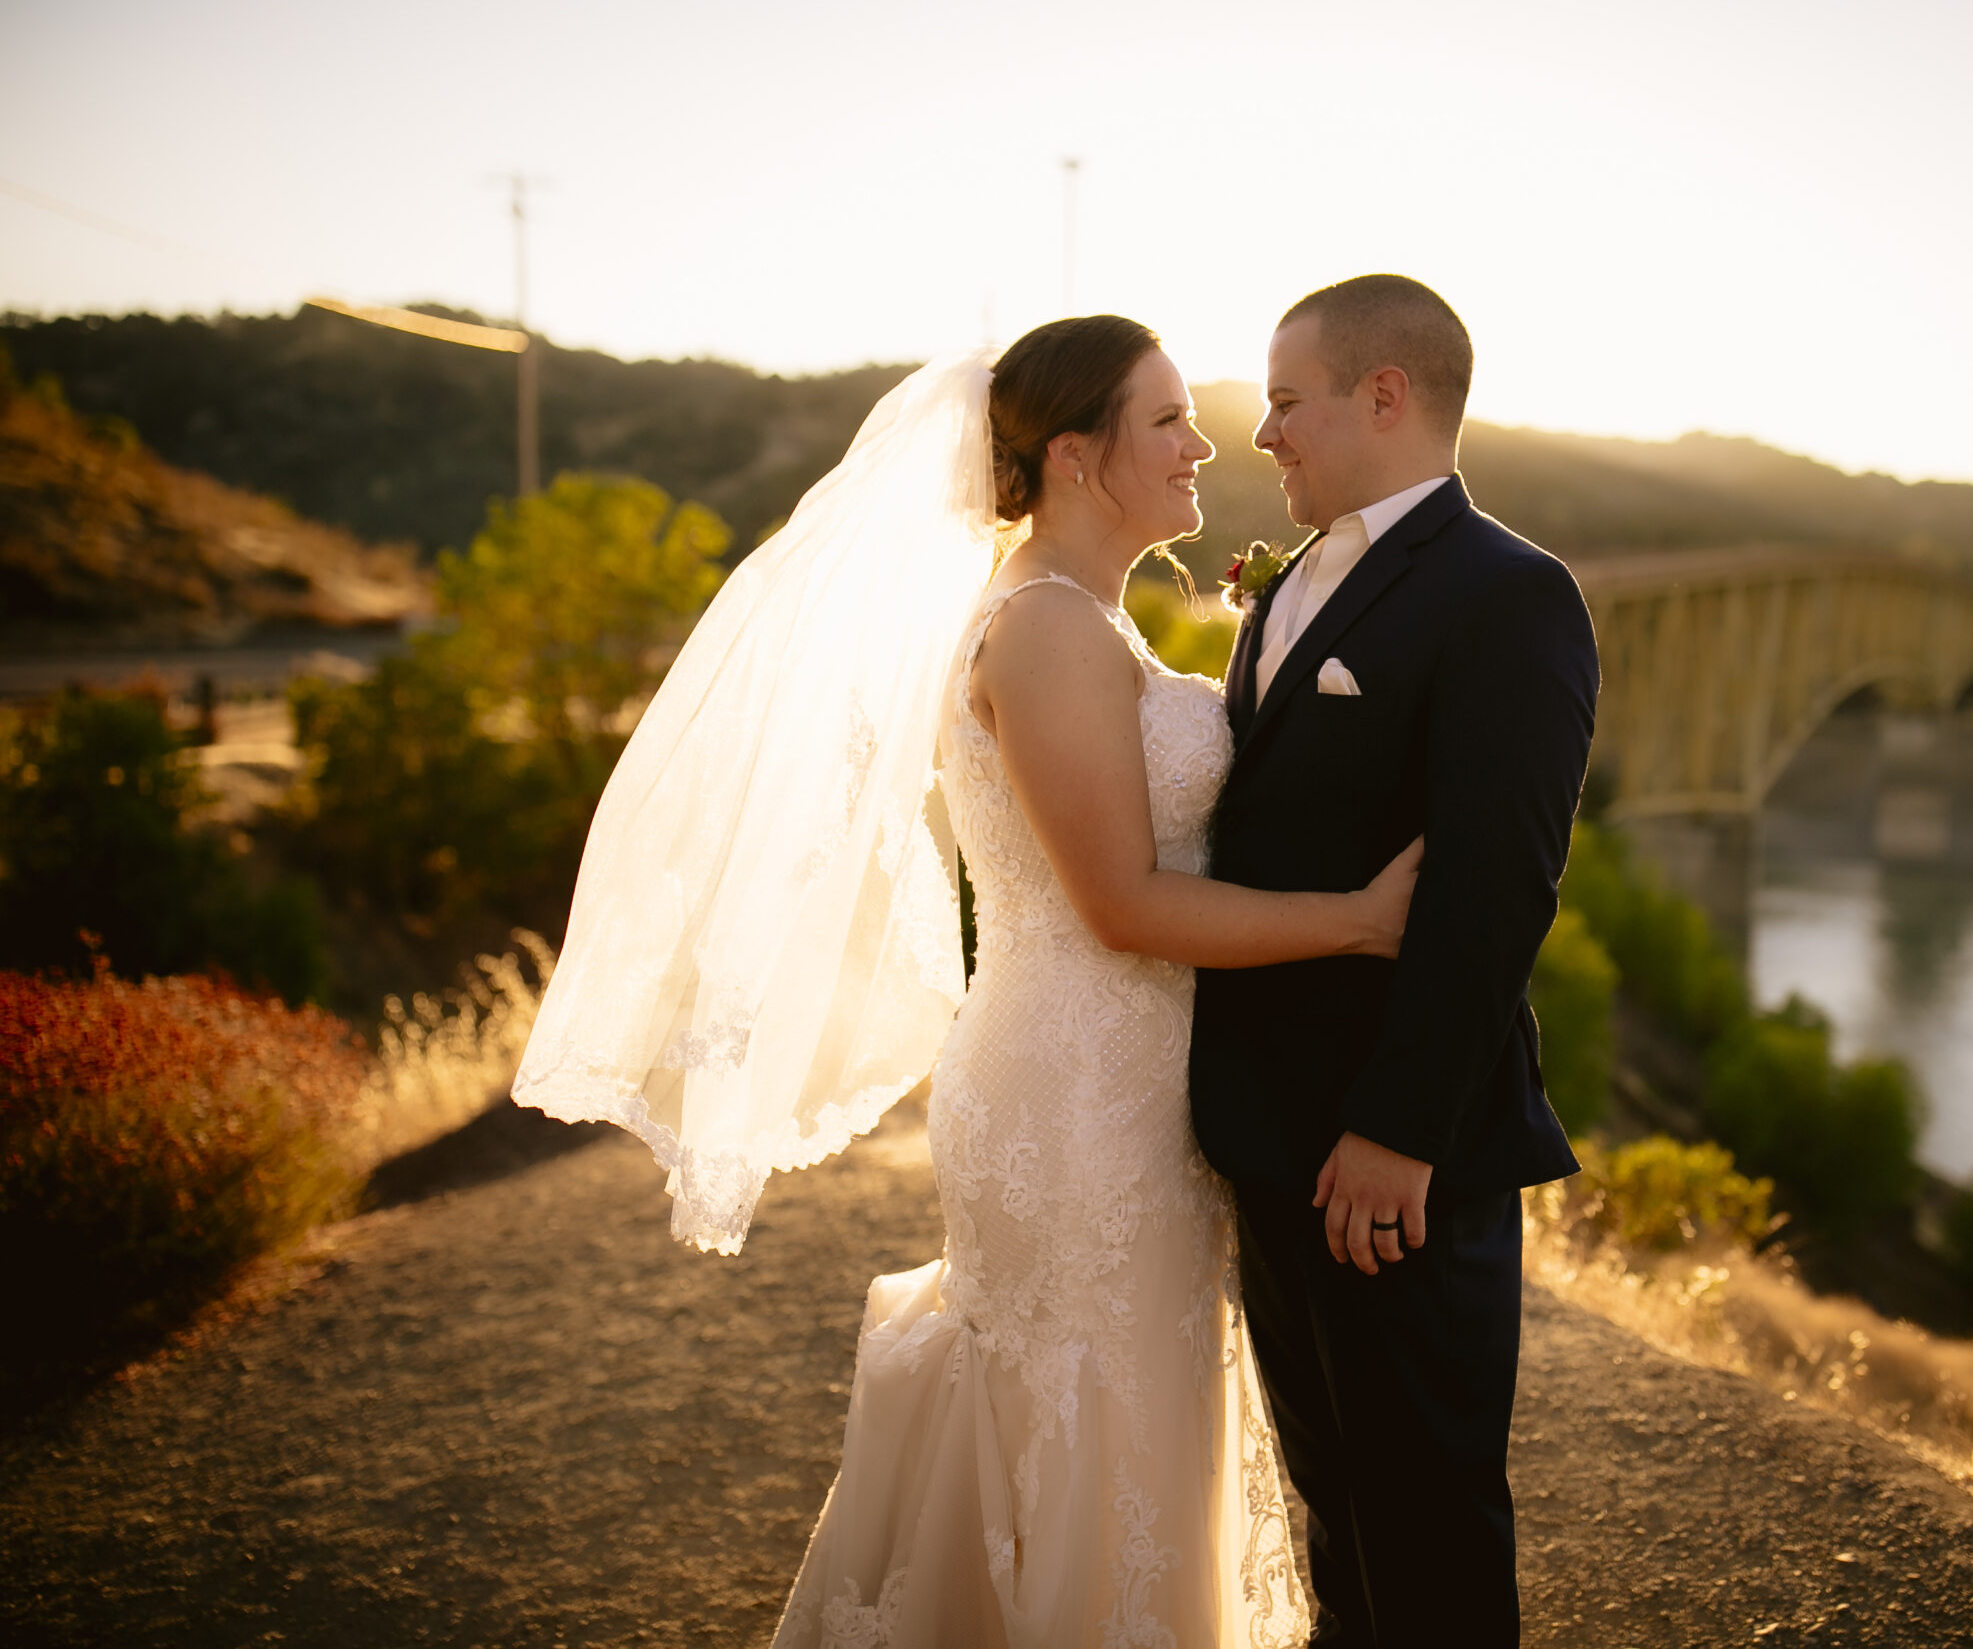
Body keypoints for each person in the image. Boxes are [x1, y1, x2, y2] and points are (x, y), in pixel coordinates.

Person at [517, 316, 1416, 1645]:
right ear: (1072, 454)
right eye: (1166, 420)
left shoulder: (1086, 618)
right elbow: (1117, 904)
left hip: (1126, 1080)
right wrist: (1357, 923)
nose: (1201, 443)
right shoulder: (1045, 631)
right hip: (1073, 1089)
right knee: (1092, 1403)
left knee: (1131, 1402)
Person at [1190, 275, 1602, 1647]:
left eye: (1285, 401)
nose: (1262, 435)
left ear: (1386, 395)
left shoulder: (1511, 594)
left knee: (1424, 1525)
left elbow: (1496, 891)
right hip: (1266, 1138)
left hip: (1396, 1161)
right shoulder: (1289, 584)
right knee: (1328, 1505)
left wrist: (1397, 1128)